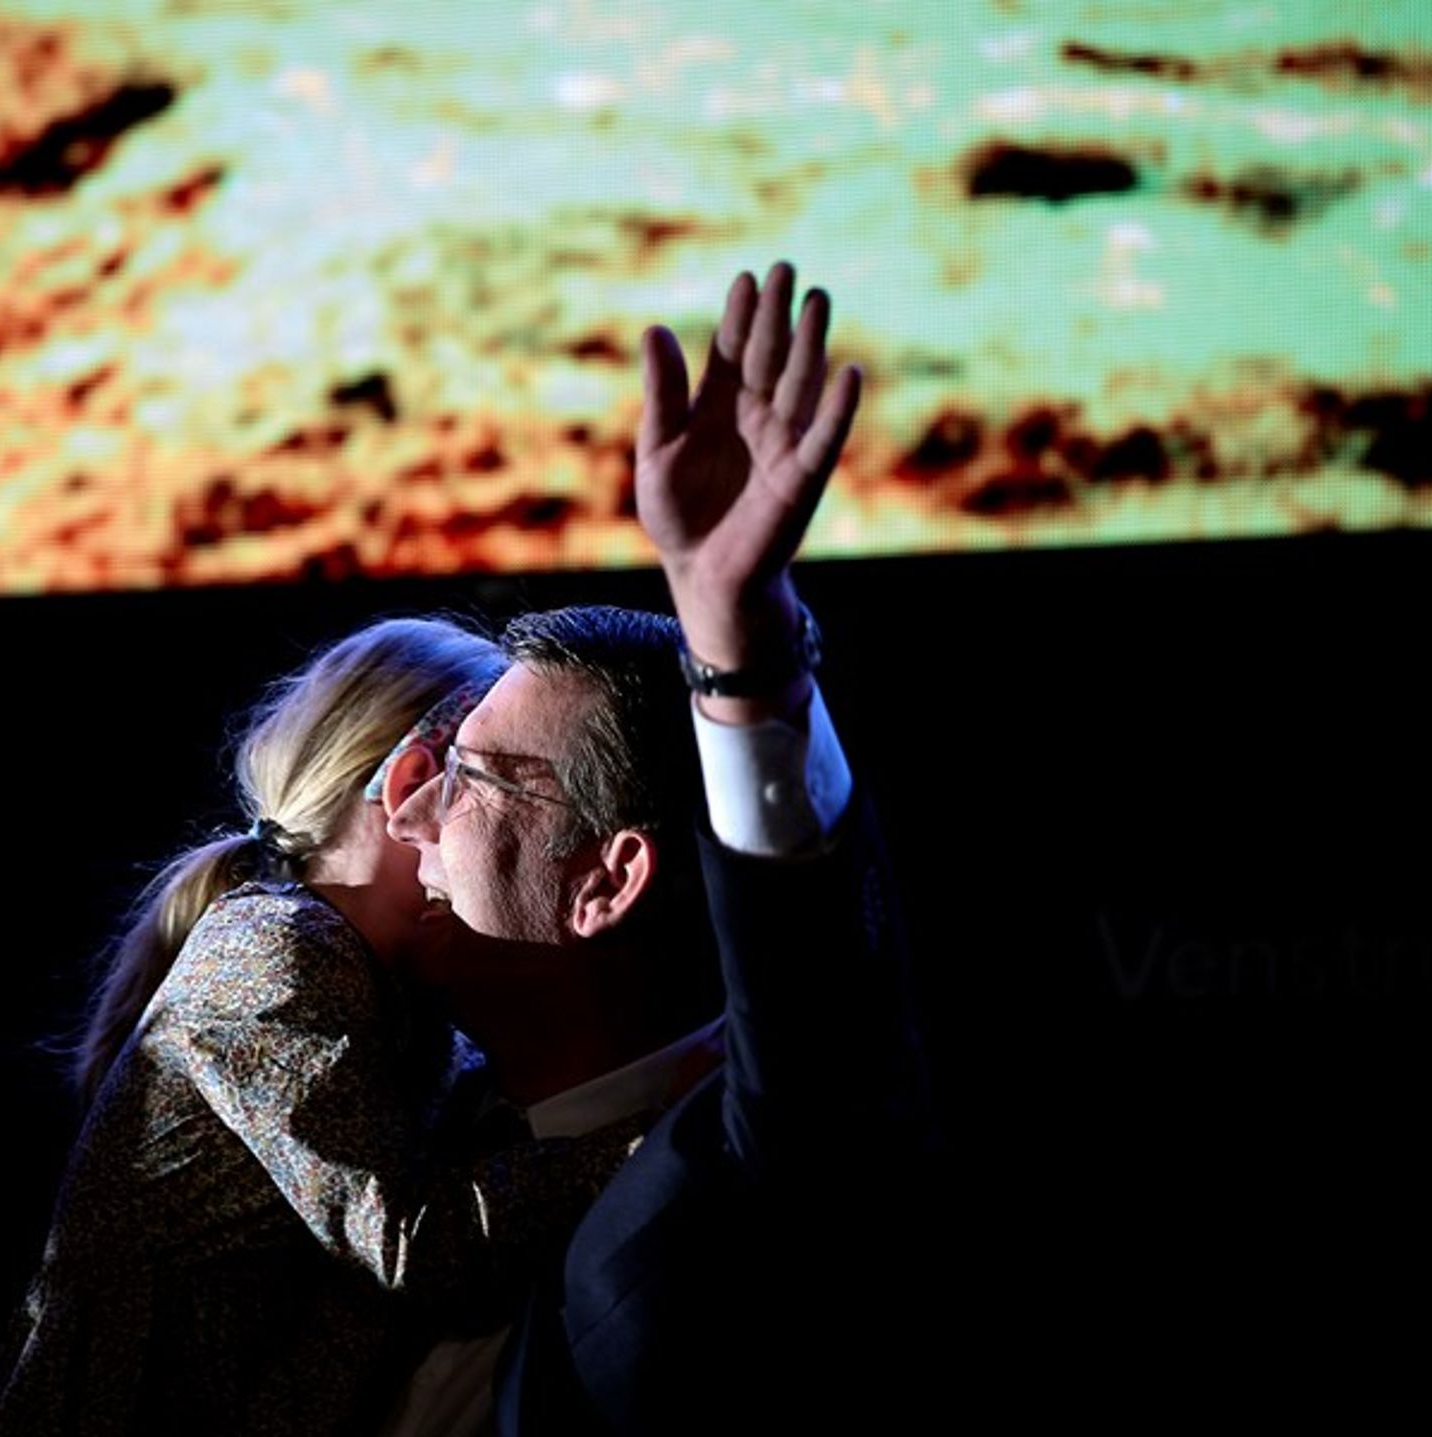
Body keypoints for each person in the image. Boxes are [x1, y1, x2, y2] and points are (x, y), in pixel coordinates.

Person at [379, 261, 933, 1434]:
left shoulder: (734, 1178)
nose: (408, 809)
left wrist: (739, 631)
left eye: (470, 778)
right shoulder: (405, 1133)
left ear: (605, 880)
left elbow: (817, 1016)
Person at [0, 618, 661, 1437]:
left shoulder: (385, 991)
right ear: (413, 779)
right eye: (476, 779)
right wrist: (655, 1135)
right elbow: (414, 1243)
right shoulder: (277, 949)